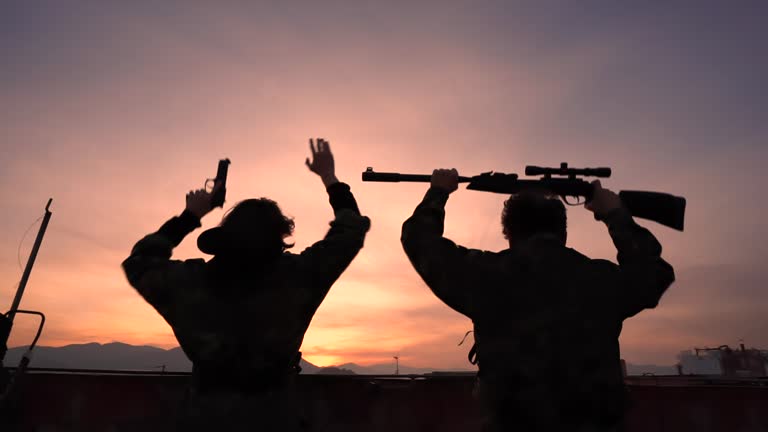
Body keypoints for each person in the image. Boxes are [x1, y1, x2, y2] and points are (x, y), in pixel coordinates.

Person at [122, 139, 370, 431]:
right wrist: (329, 177)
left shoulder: (189, 281)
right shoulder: (298, 276)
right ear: (280, 237)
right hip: (275, 419)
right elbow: (350, 231)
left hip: (203, 419)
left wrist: (191, 215)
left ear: (225, 237)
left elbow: (140, 261)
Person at [401, 168, 675, 431]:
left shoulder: (486, 275)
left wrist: (438, 191)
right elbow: (652, 274)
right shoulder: (600, 279)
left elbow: (419, 239)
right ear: (563, 233)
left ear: (508, 234)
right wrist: (614, 212)